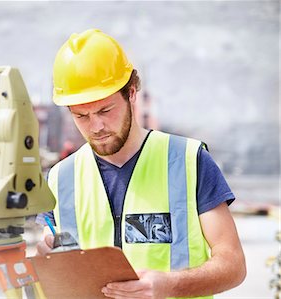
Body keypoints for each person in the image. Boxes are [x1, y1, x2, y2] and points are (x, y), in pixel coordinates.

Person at [35, 29, 246, 299]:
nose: (96, 126)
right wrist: (48, 256)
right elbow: (53, 254)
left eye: (105, 111)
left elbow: (233, 265)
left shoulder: (188, 161)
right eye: (81, 116)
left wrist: (170, 285)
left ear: (131, 93)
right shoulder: (60, 178)